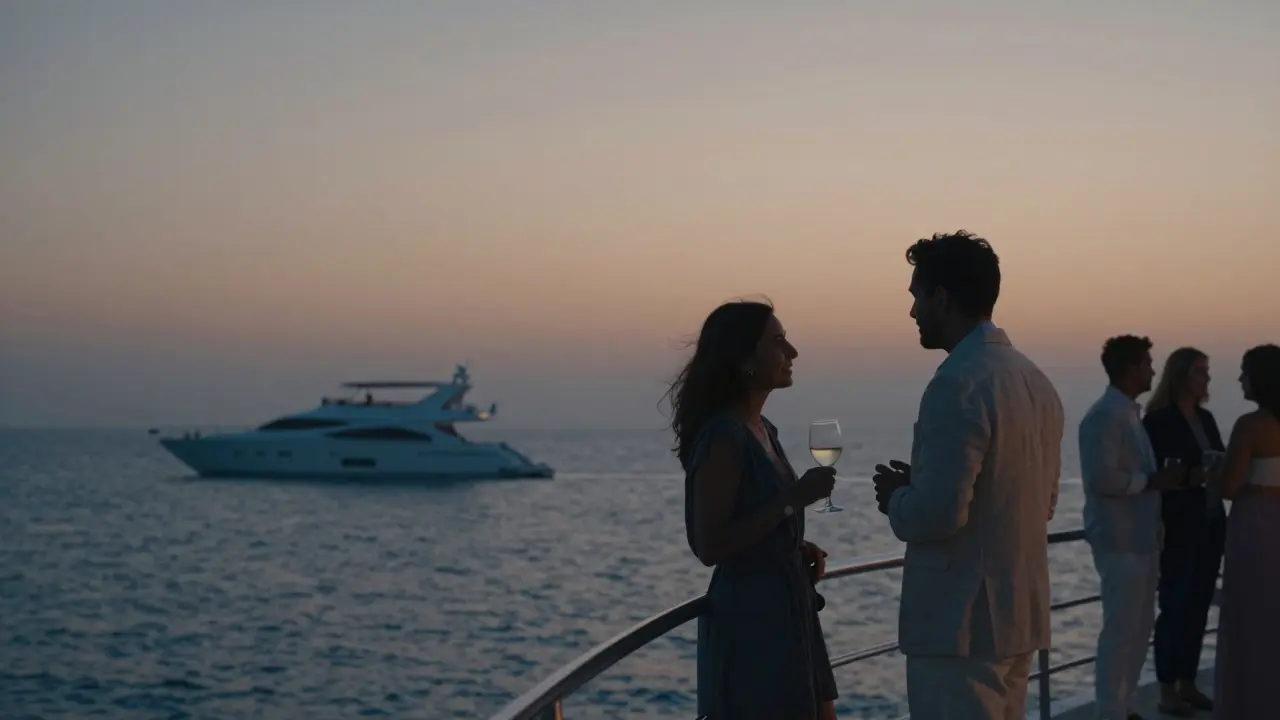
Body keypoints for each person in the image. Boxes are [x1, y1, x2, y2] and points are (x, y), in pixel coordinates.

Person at [871, 231, 1064, 720]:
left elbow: (938, 516)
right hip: (1017, 616)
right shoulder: (1035, 381)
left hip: (961, 625)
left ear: (941, 297)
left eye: (916, 296)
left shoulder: (957, 382)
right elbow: (1038, 502)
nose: (912, 312)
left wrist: (897, 497)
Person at [668, 299, 840, 720]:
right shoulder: (723, 437)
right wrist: (794, 500)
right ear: (745, 359)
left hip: (791, 611)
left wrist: (792, 546)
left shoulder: (764, 429)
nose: (792, 352)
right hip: (754, 626)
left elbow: (759, 519)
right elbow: (710, 545)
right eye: (778, 341)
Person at [1078, 336, 1187, 720]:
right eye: (1147, 364)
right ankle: (1110, 711)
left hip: (1141, 540)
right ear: (1130, 368)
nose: (1153, 371)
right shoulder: (1104, 417)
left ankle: (1124, 705)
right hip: (1119, 540)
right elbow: (1100, 477)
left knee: (1139, 629)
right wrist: (1151, 481)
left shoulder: (1127, 415)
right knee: (1121, 630)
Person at [1141, 347, 1225, 715]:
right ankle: (1166, 687)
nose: (1206, 378)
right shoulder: (1158, 421)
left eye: (1206, 371)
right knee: (1174, 605)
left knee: (1199, 603)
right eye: (1199, 371)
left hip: (1211, 522)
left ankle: (1187, 682)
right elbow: (1157, 471)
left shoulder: (1205, 418)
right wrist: (1192, 475)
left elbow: (1220, 458)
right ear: (1180, 376)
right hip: (1178, 524)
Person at [1213, 344, 1280, 719]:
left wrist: (1213, 474)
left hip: (1256, 526)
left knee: (1251, 616)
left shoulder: (1251, 426)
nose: (1240, 378)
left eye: (1245, 371)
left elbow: (1229, 487)